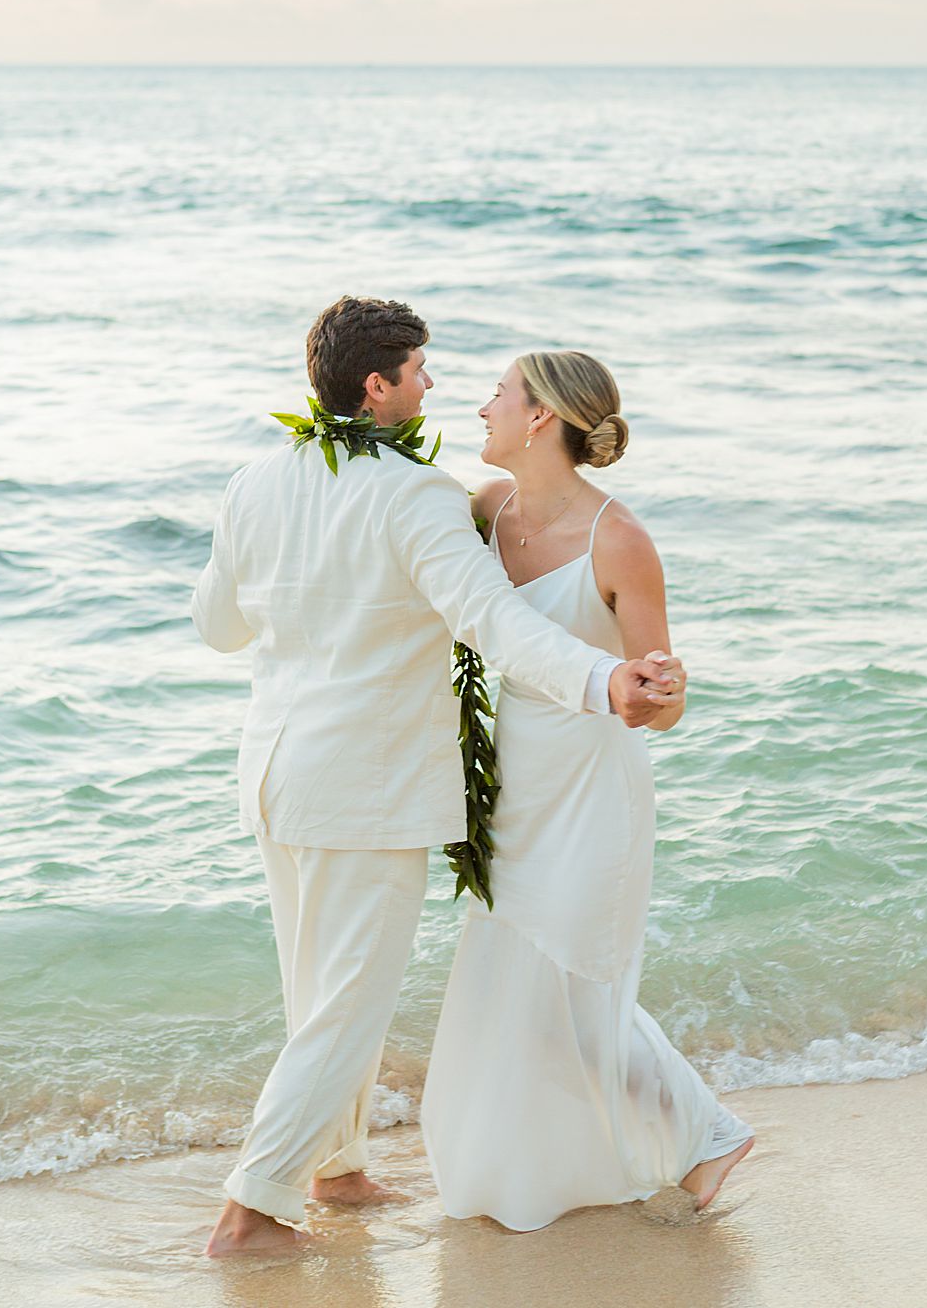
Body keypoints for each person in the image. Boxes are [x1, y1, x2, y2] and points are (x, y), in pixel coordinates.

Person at [191, 298, 685, 1256]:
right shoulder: (415, 496)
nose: (433, 386)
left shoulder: (254, 479)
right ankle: (250, 1210)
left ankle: (337, 1171)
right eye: (419, 371)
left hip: (274, 776)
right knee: (349, 1000)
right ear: (377, 387)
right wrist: (602, 678)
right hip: (364, 790)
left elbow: (218, 627)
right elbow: (496, 624)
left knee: (315, 986)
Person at [421, 351, 753, 1230]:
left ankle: (707, 1132)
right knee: (519, 998)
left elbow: (660, 706)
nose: (483, 405)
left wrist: (664, 694)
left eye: (499, 393)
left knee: (574, 985)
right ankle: (563, 1160)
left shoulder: (621, 539)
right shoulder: (485, 509)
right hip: (512, 788)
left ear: (538, 419)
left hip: (593, 788)